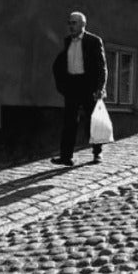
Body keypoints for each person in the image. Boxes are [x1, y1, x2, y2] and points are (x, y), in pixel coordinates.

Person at [51, 11, 108, 166]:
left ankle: (97, 153)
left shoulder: (94, 41)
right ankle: (66, 156)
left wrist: (100, 87)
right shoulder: (67, 41)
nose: (71, 26)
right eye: (69, 23)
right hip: (72, 86)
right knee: (69, 122)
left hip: (89, 86)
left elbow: (102, 67)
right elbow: (61, 64)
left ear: (83, 24)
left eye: (74, 23)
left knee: (93, 121)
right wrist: (62, 85)